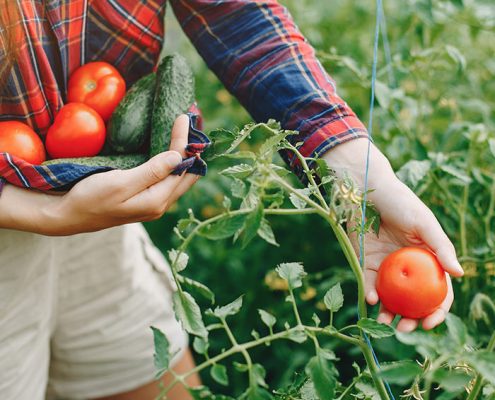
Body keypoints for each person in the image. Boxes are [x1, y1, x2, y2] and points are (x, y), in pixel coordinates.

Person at [0, 1, 464, 399]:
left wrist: (356, 167)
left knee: (154, 379)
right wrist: (39, 211)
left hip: (96, 207)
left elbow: (233, 14)